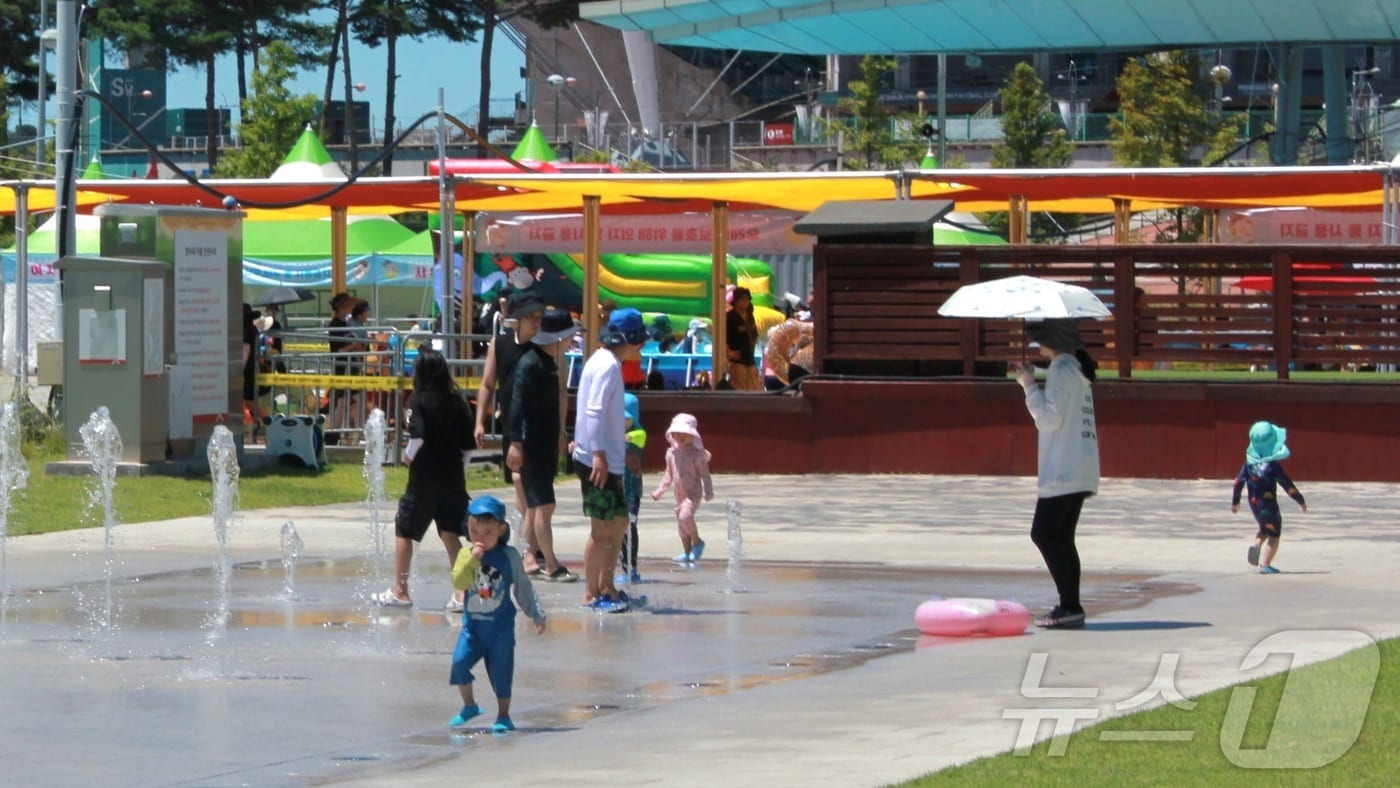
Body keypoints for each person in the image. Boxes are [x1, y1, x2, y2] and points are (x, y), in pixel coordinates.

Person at [374, 348, 475, 611]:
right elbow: (469, 446)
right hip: (453, 479)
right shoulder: (457, 401)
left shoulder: (419, 400)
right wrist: (458, 470)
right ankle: (462, 594)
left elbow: (418, 436)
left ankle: (401, 590)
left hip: (424, 478)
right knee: (451, 534)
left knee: (404, 531)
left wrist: (407, 458)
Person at [1014, 318, 1099, 629]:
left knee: (1044, 533)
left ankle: (1070, 604)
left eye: (1041, 338)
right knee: (1061, 537)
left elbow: (1049, 420)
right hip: (1080, 467)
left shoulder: (1062, 370)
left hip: (1063, 469)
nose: (1038, 344)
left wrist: (1028, 385)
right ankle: (1069, 605)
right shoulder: (1076, 369)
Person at [448, 494, 547, 733]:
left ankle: (503, 716)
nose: (479, 538)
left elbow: (522, 586)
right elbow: (459, 580)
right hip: (473, 627)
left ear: (502, 529)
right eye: (474, 532)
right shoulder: (466, 554)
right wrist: (472, 560)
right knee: (459, 663)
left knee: (502, 673)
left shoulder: (509, 556)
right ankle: (469, 705)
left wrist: (536, 613)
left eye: (487, 533)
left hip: (500, 628)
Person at [572, 307, 647, 612]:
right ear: (626, 339)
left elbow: (609, 418)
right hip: (596, 461)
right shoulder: (606, 366)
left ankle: (607, 586)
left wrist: (624, 453)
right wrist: (600, 456)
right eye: (639, 341)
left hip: (608, 458)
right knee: (602, 528)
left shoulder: (606, 362)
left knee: (617, 524)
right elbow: (593, 412)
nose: (641, 347)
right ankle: (591, 593)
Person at [507, 306, 580, 582]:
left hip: (544, 443)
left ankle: (528, 557)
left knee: (537, 505)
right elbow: (517, 405)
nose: (572, 341)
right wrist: (516, 442)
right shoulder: (531, 364)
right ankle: (551, 563)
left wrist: (560, 434)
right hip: (531, 445)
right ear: (557, 338)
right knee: (545, 505)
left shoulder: (548, 363)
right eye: (569, 337)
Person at [475, 290, 537, 551]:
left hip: (536, 422)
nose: (537, 322)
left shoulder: (541, 346)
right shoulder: (499, 344)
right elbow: (488, 383)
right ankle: (531, 541)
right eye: (532, 317)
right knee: (519, 480)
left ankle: (534, 540)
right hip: (511, 421)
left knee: (534, 486)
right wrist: (479, 420)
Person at [1232, 421, 1307, 574]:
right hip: (1268, 504)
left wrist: (1235, 502)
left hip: (1254, 503)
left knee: (1264, 527)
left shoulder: (1248, 464)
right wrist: (1300, 500)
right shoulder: (1272, 466)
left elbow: (1239, 482)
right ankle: (1265, 565)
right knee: (1274, 534)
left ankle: (1257, 545)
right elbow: (1287, 484)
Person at [651, 412, 714, 563]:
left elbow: (705, 474)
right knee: (681, 524)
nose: (680, 436)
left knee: (685, 516)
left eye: (685, 433)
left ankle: (697, 542)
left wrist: (708, 490)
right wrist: (659, 491)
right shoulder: (672, 454)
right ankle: (687, 552)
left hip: (693, 493)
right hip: (679, 494)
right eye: (676, 433)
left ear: (693, 435)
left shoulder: (697, 455)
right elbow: (668, 475)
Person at [618, 393, 646, 582]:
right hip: (618, 488)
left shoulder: (639, 433)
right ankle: (623, 566)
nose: (621, 422)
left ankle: (631, 568)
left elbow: (632, 438)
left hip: (632, 491)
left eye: (625, 418)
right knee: (619, 528)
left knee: (630, 526)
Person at [725, 286, 762, 391]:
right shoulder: (730, 317)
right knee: (739, 387)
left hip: (750, 358)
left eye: (747, 299)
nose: (745, 302)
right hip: (737, 360)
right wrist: (729, 352)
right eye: (742, 299)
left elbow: (754, 334)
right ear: (736, 301)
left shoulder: (750, 316)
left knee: (755, 386)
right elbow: (723, 338)